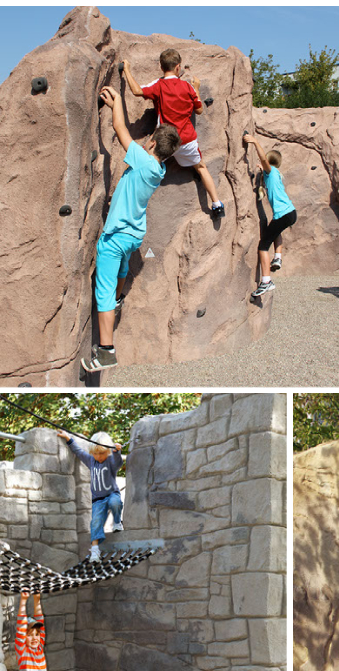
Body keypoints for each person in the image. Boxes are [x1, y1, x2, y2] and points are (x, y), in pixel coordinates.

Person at [82, 87, 178, 372]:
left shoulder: (144, 161)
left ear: (150, 144)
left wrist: (119, 102)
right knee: (123, 269)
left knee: (103, 291)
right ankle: (119, 300)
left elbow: (119, 127)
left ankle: (107, 351)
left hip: (116, 237)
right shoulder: (159, 170)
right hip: (134, 235)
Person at [123, 50, 226, 218]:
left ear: (161, 66)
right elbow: (199, 110)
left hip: (165, 140)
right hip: (186, 139)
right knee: (201, 167)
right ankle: (216, 204)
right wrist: (197, 89)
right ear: (178, 67)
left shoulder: (159, 85)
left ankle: (128, 203)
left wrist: (126, 69)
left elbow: (136, 91)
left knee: (141, 164)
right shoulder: (187, 87)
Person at [241, 133, 297, 298]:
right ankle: (278, 257)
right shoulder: (277, 174)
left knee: (263, 246)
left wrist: (255, 142)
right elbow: (266, 167)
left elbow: (265, 162)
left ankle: (266, 281)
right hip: (290, 212)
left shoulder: (270, 171)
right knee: (275, 230)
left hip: (283, 213)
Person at [58, 430, 123, 562]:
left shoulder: (110, 461)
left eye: (102, 453)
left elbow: (119, 463)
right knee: (95, 523)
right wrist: (68, 439)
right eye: (95, 453)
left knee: (115, 503)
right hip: (97, 500)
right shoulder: (91, 460)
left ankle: (117, 522)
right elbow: (78, 451)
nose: (98, 457)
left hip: (111, 494)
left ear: (108, 452)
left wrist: (116, 452)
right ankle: (94, 551)